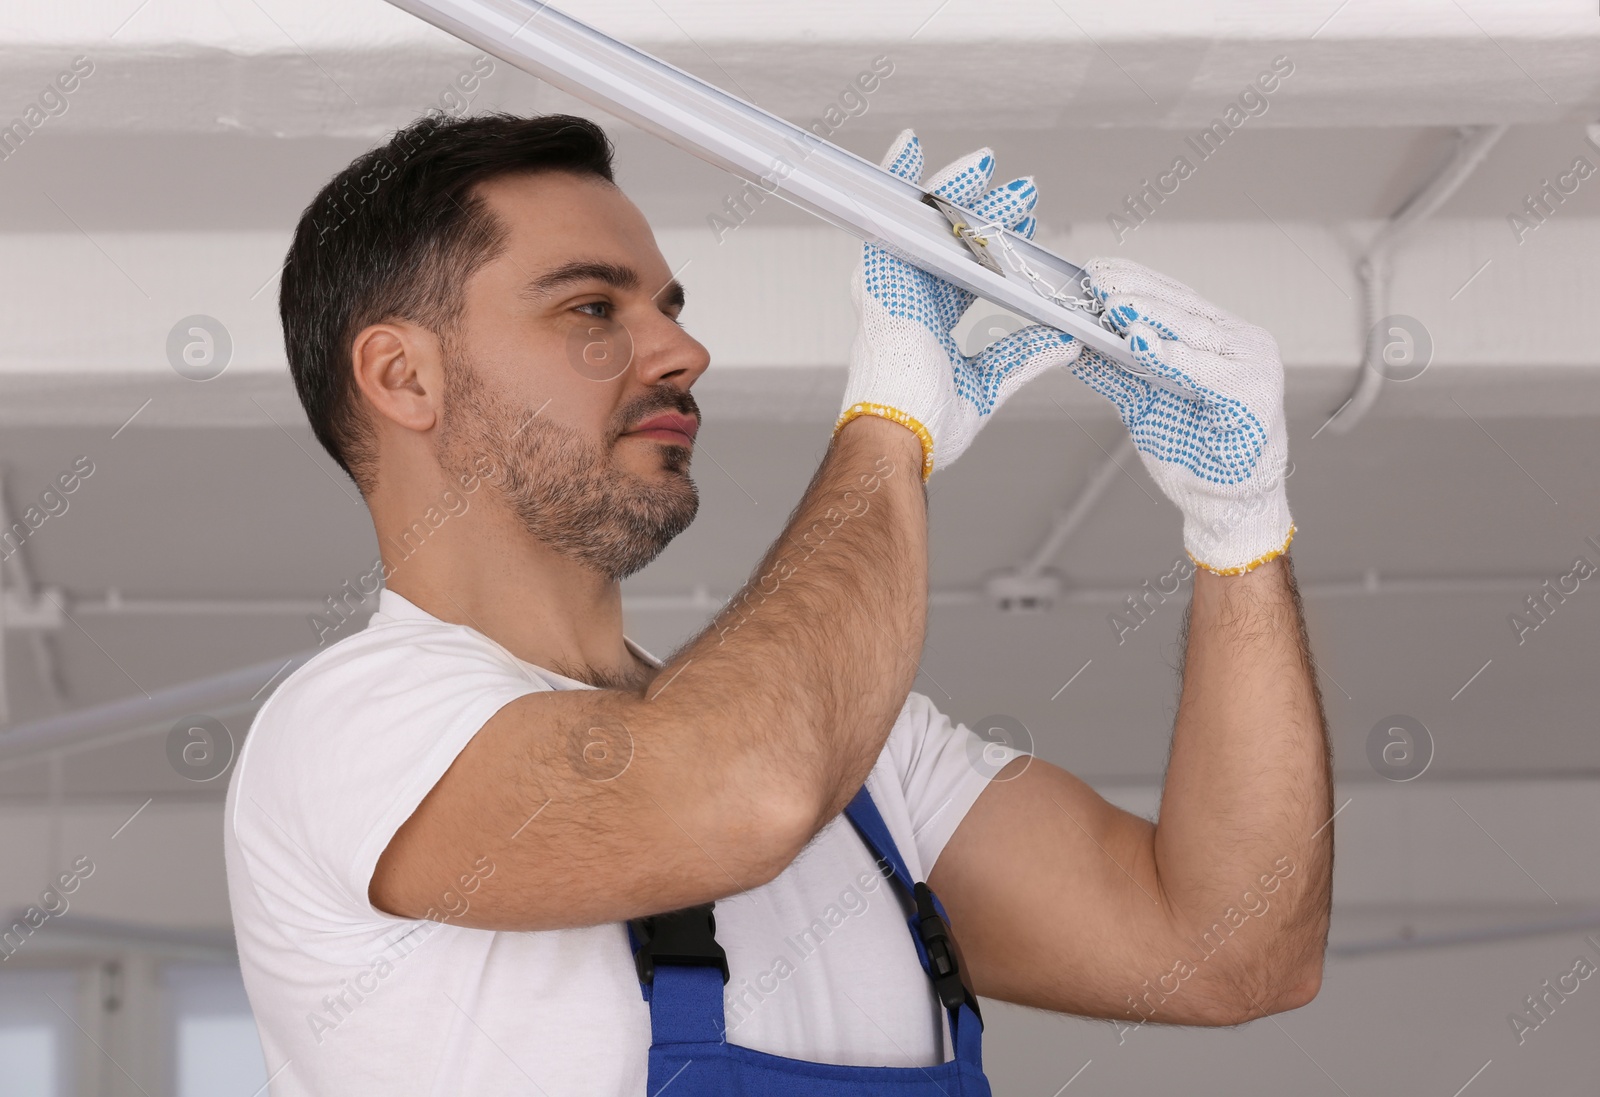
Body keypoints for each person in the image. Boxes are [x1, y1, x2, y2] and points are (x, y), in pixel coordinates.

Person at [223, 111, 1332, 1096]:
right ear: (403, 377)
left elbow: (1233, 947)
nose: (682, 349)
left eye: (667, 306)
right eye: (592, 306)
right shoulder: (348, 730)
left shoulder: (862, 758)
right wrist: (889, 416)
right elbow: (734, 795)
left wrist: (1238, 529)